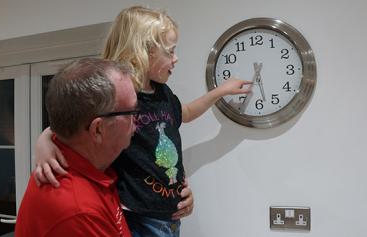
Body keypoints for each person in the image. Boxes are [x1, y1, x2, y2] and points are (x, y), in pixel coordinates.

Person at [33, 6, 251, 237]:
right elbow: (79, 122)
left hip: (170, 211)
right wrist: (45, 138)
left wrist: (220, 91)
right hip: (137, 214)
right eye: (169, 51)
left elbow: (185, 112)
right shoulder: (121, 97)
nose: (175, 59)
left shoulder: (163, 93)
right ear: (142, 51)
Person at [15, 58, 136, 237]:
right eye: (131, 113)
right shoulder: (80, 212)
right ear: (98, 129)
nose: (138, 121)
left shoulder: (80, 154)